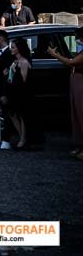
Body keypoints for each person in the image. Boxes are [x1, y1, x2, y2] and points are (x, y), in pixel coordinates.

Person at [46, 26, 83, 159]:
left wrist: (55, 55)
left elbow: (71, 62)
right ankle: (79, 145)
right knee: (76, 113)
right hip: (76, 81)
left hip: (80, 81)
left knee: (81, 112)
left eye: (79, 38)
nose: (78, 40)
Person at [3, 37, 34, 150]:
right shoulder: (15, 61)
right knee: (13, 114)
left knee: (21, 115)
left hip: (22, 93)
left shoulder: (24, 62)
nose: (11, 49)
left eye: (13, 47)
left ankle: (23, 138)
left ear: (19, 49)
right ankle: (22, 136)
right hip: (14, 91)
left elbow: (24, 80)